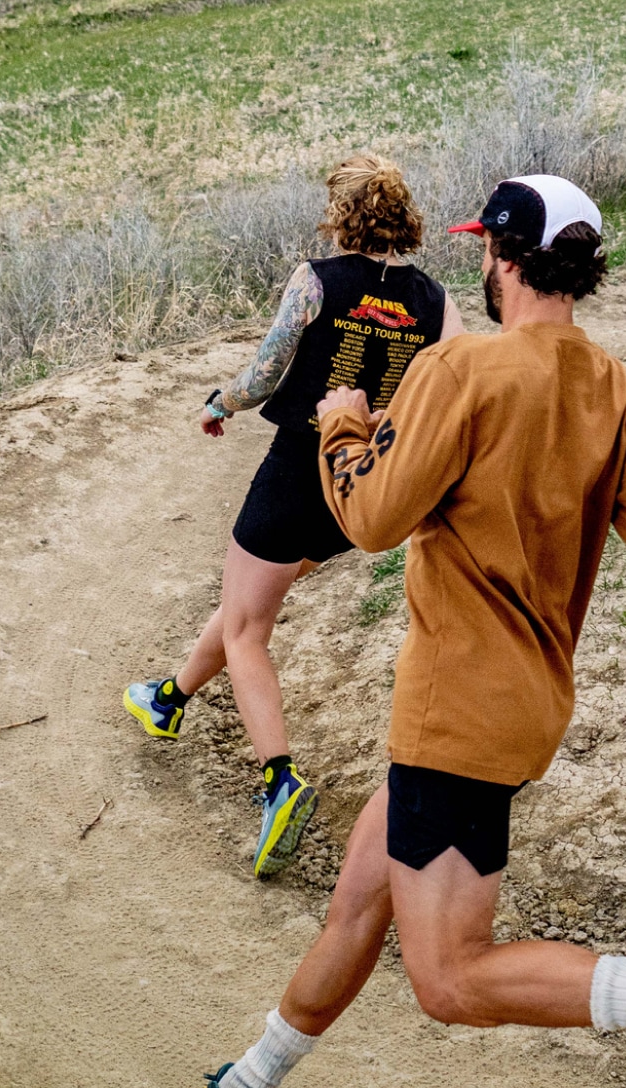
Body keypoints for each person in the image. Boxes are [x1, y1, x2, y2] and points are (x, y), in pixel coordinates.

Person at [141, 174, 626, 1088]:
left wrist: (344, 423)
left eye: (484, 256)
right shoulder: (625, 395)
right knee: (360, 904)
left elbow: (371, 519)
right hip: (523, 706)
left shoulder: (464, 371)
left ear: (502, 260)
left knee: (449, 977)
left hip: (455, 705)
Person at [124, 154, 464, 878]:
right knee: (253, 599)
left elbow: (268, 369)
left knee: (248, 626)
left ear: (342, 215)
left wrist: (220, 403)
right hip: (363, 488)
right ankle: (168, 700)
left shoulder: (317, 280)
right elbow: (457, 385)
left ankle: (280, 779)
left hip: (297, 473)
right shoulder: (436, 302)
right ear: (402, 217)